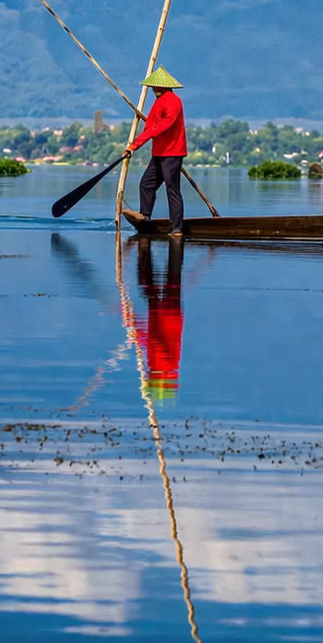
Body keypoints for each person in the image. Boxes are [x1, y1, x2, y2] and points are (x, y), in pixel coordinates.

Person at [128, 66, 187, 232]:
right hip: (159, 153)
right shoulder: (158, 102)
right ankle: (145, 217)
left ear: (161, 86)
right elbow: (150, 127)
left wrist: (138, 143)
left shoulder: (174, 102)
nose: (152, 89)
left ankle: (177, 229)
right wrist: (133, 146)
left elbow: (162, 126)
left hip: (173, 153)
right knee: (146, 185)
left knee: (172, 189)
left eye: (154, 86)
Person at [134, 239, 184, 401]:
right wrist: (139, 334)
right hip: (168, 315)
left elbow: (152, 341)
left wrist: (137, 332)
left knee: (149, 283)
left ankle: (143, 250)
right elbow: (156, 342)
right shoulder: (166, 365)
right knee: (168, 279)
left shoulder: (159, 365)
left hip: (162, 315)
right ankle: (144, 249)